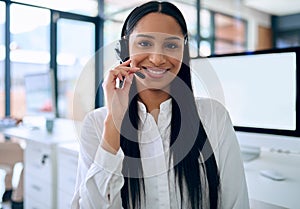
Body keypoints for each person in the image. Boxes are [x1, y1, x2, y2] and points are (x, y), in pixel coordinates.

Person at [71, 1, 249, 209]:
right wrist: (114, 125)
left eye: (171, 45)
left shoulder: (214, 116)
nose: (157, 59)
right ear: (125, 48)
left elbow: (236, 203)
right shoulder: (96, 123)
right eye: (145, 44)